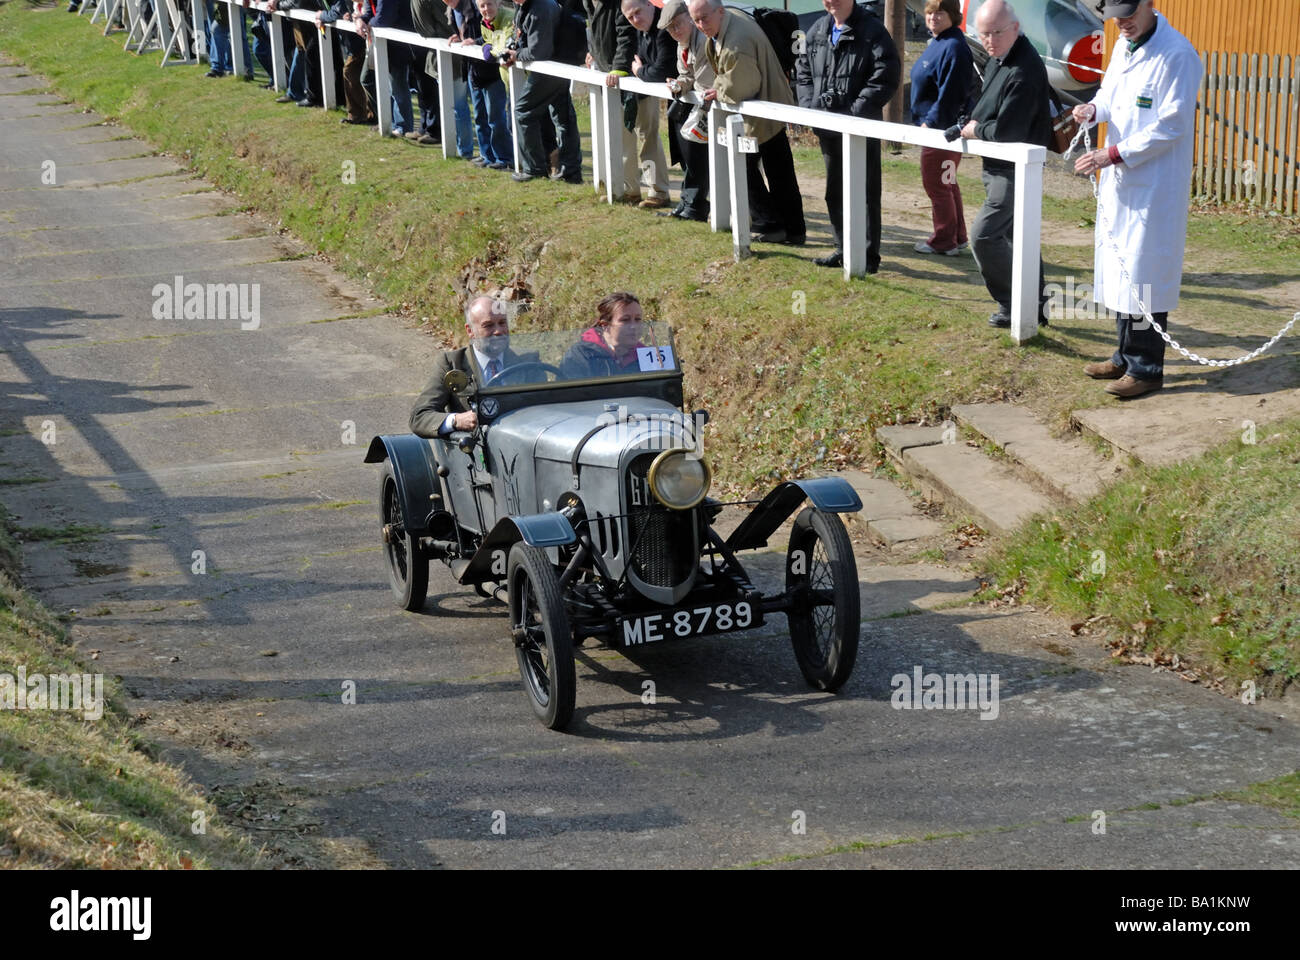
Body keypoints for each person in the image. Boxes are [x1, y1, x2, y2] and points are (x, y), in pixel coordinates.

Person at [1073, 0, 1201, 399]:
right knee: (1119, 267)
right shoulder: (1123, 45)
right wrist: (1093, 109)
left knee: (1143, 273)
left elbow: (1173, 124)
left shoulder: (1177, 54)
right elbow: (1112, 95)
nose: (1122, 22)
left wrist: (1111, 154)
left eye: (1129, 12)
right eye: (1116, 15)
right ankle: (1124, 355)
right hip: (1122, 182)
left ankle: (1146, 368)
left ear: (1150, 3)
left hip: (1154, 183)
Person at [959, 0, 1051, 328]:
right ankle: (1037, 307)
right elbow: (990, 107)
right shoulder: (1003, 57)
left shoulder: (1023, 69)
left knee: (984, 236)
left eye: (996, 32)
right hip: (1000, 165)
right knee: (1019, 236)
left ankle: (1013, 304)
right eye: (983, 34)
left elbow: (1007, 131)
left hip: (1014, 170)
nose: (989, 40)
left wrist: (975, 129)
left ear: (1015, 28)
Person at [689, 0, 806, 245]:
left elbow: (742, 84)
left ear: (719, 11)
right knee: (777, 170)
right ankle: (789, 228)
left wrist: (717, 90)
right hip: (767, 107)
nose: (700, 25)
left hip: (764, 110)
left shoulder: (735, 42)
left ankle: (774, 224)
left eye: (704, 18)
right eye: (696, 20)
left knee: (745, 167)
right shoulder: (727, 21)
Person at [795, 0, 899, 271]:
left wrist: (854, 112)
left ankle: (866, 257)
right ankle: (842, 248)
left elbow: (886, 74)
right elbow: (803, 72)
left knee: (864, 193)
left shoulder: (872, 30)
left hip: (860, 128)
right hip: (827, 126)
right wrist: (810, 110)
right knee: (834, 191)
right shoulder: (817, 29)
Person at [910, 0, 973, 256]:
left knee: (937, 184)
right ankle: (957, 237)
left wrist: (930, 122)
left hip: (941, 132)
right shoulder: (940, 42)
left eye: (941, 13)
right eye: (930, 12)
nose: (934, 17)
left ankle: (943, 240)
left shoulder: (954, 47)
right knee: (948, 183)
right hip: (939, 128)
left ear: (953, 16)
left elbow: (950, 93)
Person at [410, 297, 523, 437]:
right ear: (470, 331)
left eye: (502, 323)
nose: (499, 331)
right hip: (476, 452)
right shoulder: (451, 364)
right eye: (488, 325)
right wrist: (456, 420)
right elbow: (419, 417)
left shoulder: (526, 361)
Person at [502, 0, 584, 183]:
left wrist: (517, 55)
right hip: (556, 65)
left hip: (553, 66)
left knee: (523, 111)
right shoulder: (525, 5)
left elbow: (539, 51)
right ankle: (570, 171)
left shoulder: (541, 8)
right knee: (562, 117)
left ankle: (535, 168)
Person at [578, 0, 640, 201]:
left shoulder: (617, 3)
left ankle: (631, 189)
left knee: (627, 136)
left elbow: (626, 36)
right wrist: (593, 54)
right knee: (611, 134)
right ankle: (616, 185)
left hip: (624, 78)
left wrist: (619, 68)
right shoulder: (588, 3)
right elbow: (598, 34)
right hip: (605, 75)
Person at [620, 0, 677, 210]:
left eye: (637, 13)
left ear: (649, 4)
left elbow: (660, 71)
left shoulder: (663, 28)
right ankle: (636, 189)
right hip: (642, 89)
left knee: (648, 139)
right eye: (630, 17)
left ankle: (659, 191)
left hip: (671, 94)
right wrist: (643, 70)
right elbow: (646, 63)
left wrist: (639, 71)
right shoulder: (642, 31)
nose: (635, 20)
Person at [660, 0, 713, 222]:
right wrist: (679, 85)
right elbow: (688, 76)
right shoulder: (683, 42)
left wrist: (685, 84)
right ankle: (689, 200)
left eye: (678, 24)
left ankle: (695, 204)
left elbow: (703, 82)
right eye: (670, 28)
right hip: (698, 104)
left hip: (711, 107)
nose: (675, 31)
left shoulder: (701, 40)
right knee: (683, 139)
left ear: (690, 19)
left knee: (697, 155)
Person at [462, 0, 514, 168]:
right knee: (480, 117)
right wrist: (478, 43)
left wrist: (487, 48)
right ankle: (488, 155)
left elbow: (499, 45)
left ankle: (504, 157)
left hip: (495, 76)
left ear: (498, 4)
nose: (486, 9)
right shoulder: (483, 21)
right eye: (482, 6)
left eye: (489, 4)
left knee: (496, 119)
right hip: (478, 73)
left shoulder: (507, 17)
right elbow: (488, 41)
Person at [561, 292, 646, 379]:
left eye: (638, 319)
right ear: (605, 325)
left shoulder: (646, 355)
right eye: (625, 320)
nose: (634, 326)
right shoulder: (581, 355)